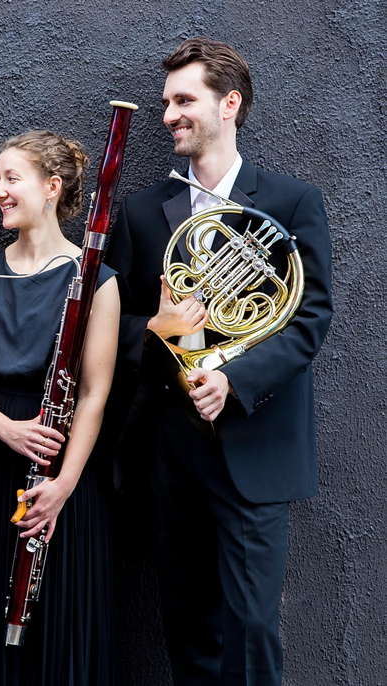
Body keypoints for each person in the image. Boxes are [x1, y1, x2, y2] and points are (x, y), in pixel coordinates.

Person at [106, 38, 333, 685]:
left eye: (185, 100)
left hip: (255, 448)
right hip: (173, 455)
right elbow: (111, 324)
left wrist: (233, 379)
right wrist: (157, 328)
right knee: (188, 629)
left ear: (229, 103)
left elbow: (311, 316)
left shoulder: (291, 203)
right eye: (166, 103)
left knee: (252, 626)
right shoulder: (145, 212)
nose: (169, 114)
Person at [0, 131, 119, 685]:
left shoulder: (96, 280)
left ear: (51, 188)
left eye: (10, 179)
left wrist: (64, 485)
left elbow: (93, 392)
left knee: (54, 623)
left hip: (60, 475)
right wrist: (8, 430)